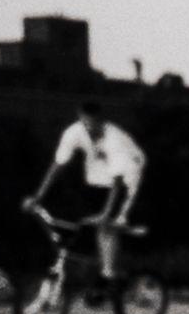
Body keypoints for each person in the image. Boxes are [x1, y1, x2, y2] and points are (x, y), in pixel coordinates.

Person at [24, 101, 147, 289]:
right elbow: (58, 165)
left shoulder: (115, 139)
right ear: (80, 120)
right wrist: (38, 196)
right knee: (82, 222)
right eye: (85, 124)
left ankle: (109, 276)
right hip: (98, 177)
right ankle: (103, 268)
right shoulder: (74, 132)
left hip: (129, 175)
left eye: (93, 124)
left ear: (101, 121)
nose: (89, 129)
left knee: (107, 224)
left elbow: (118, 181)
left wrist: (107, 213)